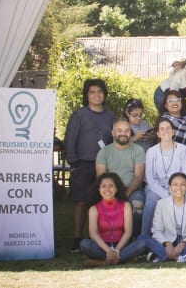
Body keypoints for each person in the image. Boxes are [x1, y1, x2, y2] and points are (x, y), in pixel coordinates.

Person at [65, 78, 115, 252]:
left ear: (104, 94)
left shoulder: (111, 116)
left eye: (99, 92)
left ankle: (102, 238)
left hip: (105, 165)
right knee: (81, 202)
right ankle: (77, 240)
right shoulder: (79, 115)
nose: (96, 95)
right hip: (83, 164)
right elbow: (70, 139)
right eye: (92, 92)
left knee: (104, 202)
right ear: (87, 95)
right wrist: (73, 163)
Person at [80, 173, 146, 267]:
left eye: (111, 186)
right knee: (84, 244)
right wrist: (108, 251)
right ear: (99, 189)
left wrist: (116, 250)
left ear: (116, 188)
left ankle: (101, 262)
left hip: (121, 246)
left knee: (142, 243)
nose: (107, 189)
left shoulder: (126, 205)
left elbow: (128, 232)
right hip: (102, 247)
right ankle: (122, 259)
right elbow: (93, 234)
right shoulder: (93, 209)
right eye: (104, 186)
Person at [95, 119, 146, 237]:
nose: (123, 134)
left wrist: (125, 194)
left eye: (127, 131)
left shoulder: (138, 150)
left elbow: (138, 177)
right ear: (113, 133)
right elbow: (101, 179)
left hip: (132, 190)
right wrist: (113, 194)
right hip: (110, 190)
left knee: (138, 200)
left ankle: (133, 237)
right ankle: (111, 236)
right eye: (119, 131)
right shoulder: (104, 152)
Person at [144, 173, 186, 262]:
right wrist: (167, 243)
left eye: (182, 185)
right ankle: (181, 256)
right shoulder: (161, 204)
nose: (179, 188)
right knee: (143, 238)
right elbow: (156, 230)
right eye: (175, 185)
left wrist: (183, 243)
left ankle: (164, 254)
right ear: (170, 187)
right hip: (168, 240)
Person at [141, 118, 186, 238]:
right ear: (158, 133)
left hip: (178, 186)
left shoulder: (183, 150)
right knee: (151, 201)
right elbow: (150, 179)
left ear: (173, 131)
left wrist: (175, 191)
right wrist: (167, 196)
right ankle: (144, 237)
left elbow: (184, 174)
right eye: (162, 129)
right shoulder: (151, 152)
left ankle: (185, 238)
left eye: (168, 128)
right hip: (155, 187)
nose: (166, 131)